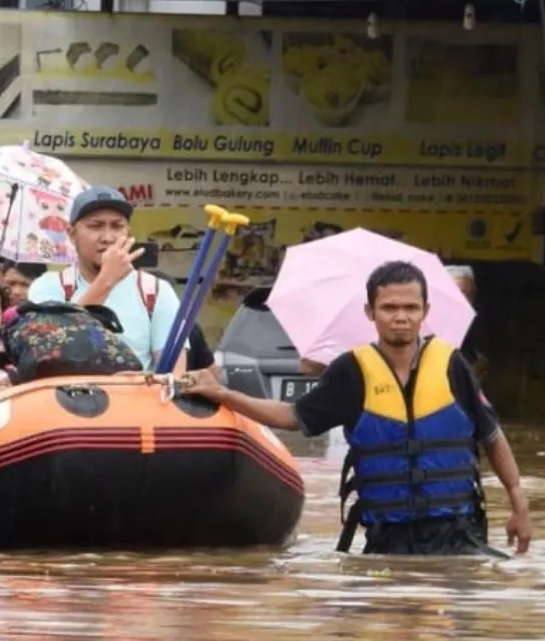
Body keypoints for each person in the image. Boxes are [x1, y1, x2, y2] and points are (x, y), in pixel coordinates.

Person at [181, 260, 530, 556]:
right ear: (370, 312)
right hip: (388, 539)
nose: (401, 317)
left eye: (410, 308)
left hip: (458, 534)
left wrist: (518, 503)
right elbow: (292, 417)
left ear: (425, 311)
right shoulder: (350, 372)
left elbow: (492, 436)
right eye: (389, 308)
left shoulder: (452, 365)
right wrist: (224, 394)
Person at [27, 186, 186, 368]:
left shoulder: (156, 292)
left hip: (134, 395)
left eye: (117, 226)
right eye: (95, 226)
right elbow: (47, 354)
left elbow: (173, 376)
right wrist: (106, 280)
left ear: (128, 233)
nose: (108, 237)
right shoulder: (48, 287)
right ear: (72, 234)